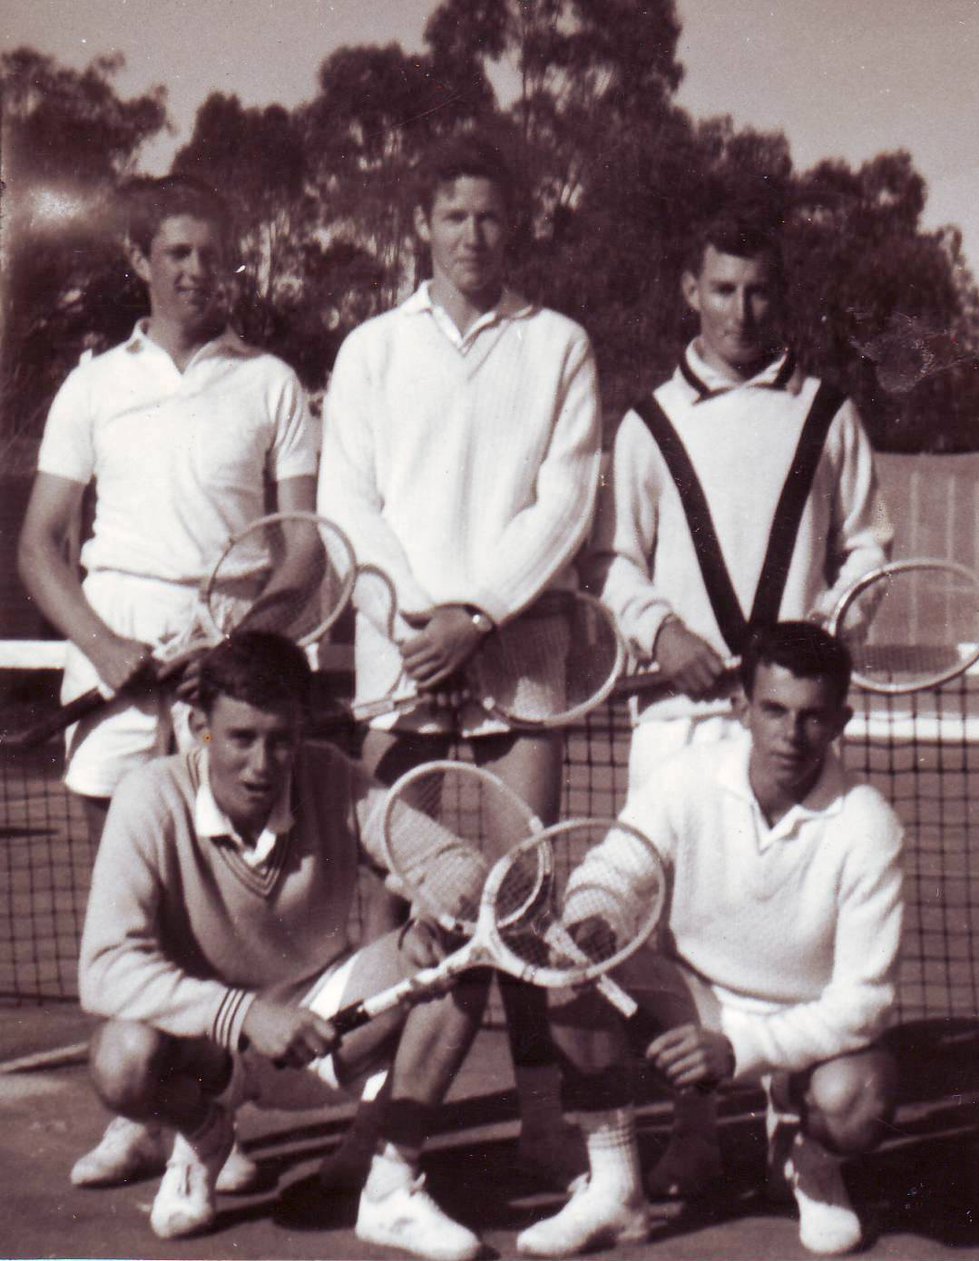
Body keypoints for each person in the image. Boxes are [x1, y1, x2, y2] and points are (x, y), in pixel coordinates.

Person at [17, 175, 317, 1189]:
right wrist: (103, 645)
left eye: (212, 252)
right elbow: (40, 548)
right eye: (175, 252)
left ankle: (208, 1102)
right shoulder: (93, 384)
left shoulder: (273, 383)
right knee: (122, 904)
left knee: (225, 899)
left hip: (227, 676)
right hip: (117, 663)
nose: (196, 270)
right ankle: (139, 1114)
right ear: (140, 260)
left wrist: (238, 647)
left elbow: (303, 555)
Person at [317, 132, 602, 1186]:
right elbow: (346, 502)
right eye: (452, 217)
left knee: (520, 899)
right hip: (400, 661)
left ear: (512, 225)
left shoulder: (558, 344)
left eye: (489, 216)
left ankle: (540, 1115)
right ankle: (378, 1129)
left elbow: (564, 499)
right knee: (402, 905)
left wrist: (477, 613)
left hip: (518, 663)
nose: (472, 235)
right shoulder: (369, 350)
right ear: (422, 227)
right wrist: (417, 620)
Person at [76, 630, 490, 1261]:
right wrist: (244, 1016)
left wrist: (442, 906)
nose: (263, 765)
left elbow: (454, 863)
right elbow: (105, 970)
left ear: (302, 732)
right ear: (199, 728)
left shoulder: (334, 779)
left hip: (326, 1030)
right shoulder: (149, 797)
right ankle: (203, 1135)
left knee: (460, 960)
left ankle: (391, 1189)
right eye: (241, 738)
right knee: (120, 1056)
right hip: (203, 1054)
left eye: (282, 740)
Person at [518, 623, 903, 1258]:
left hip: (804, 1028)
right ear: (741, 708)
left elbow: (865, 1004)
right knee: (572, 974)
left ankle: (810, 1163)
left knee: (858, 1099)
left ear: (841, 721)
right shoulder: (685, 777)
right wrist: (595, 913)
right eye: (773, 710)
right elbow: (618, 866)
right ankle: (617, 1192)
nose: (790, 734)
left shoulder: (870, 827)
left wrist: (740, 1049)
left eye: (812, 717)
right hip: (690, 997)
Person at [585, 208, 892, 794]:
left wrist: (822, 635)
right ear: (691, 290)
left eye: (757, 292)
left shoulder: (829, 415)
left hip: (794, 729)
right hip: (677, 724)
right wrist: (663, 634)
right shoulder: (647, 424)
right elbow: (609, 561)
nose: (739, 311)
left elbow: (868, 548)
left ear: (780, 296)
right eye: (724, 290)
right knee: (667, 887)